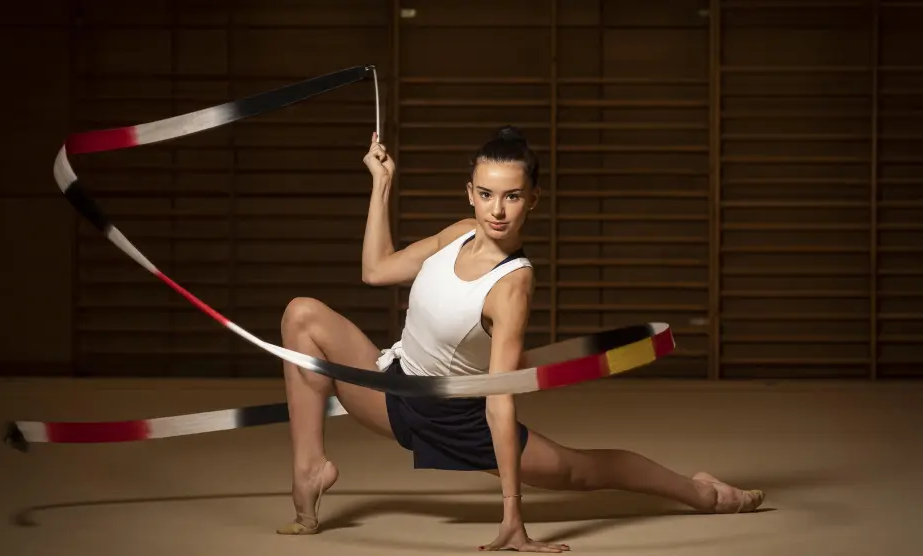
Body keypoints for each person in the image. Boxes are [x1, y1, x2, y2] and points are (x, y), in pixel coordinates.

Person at [276, 126, 763, 551]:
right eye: (487, 194)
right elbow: (376, 269)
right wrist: (381, 184)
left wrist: (513, 517)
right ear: (470, 192)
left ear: (533, 198)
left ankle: (704, 493)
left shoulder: (512, 287)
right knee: (301, 315)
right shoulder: (457, 234)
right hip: (396, 391)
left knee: (582, 472)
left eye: (511, 196)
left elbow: (499, 401)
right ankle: (311, 469)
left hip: (459, 422)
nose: (498, 210)